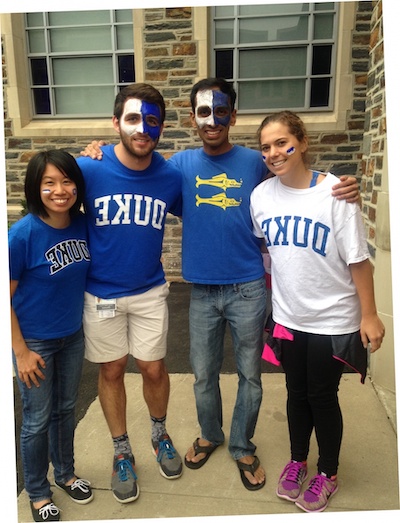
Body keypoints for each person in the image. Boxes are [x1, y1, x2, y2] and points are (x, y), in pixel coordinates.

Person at [81, 78, 360, 491]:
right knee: (202, 374)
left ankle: (242, 445)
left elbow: (297, 171)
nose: (213, 120)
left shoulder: (255, 161)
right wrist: (98, 150)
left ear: (233, 114)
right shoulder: (175, 167)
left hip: (248, 286)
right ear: (193, 118)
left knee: (249, 373)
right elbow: (139, 174)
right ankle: (210, 434)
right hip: (201, 290)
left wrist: (340, 184)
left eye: (221, 111)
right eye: (204, 112)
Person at [250, 110, 385, 512]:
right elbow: (268, 253)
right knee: (295, 393)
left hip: (333, 318)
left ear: (302, 142)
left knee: (322, 396)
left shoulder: (336, 194)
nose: (274, 153)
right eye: (265, 147)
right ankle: (297, 461)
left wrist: (370, 315)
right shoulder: (261, 197)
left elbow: (359, 260)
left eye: (281, 142)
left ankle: (328, 471)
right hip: (289, 318)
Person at [76, 83, 183, 505]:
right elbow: (48, 200)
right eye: (134, 119)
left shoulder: (170, 176)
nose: (143, 128)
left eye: (152, 121)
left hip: (149, 290)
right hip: (99, 292)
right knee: (112, 370)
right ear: (117, 121)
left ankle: (159, 433)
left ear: (161, 127)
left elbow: (212, 209)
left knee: (154, 368)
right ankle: (122, 448)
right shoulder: (89, 169)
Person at [9, 150, 92, 522]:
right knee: (36, 419)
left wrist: (96, 150)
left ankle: (66, 474)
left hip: (71, 336)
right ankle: (38, 492)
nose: (60, 190)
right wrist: (21, 352)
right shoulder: (22, 234)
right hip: (36, 343)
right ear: (35, 188)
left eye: (67, 181)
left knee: (64, 410)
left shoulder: (81, 223)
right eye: (49, 183)